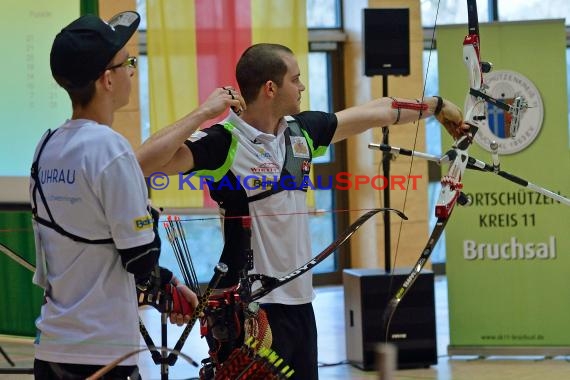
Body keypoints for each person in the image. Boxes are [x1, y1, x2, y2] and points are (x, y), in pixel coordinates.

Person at [136, 43, 467, 379]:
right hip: (253, 310)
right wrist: (203, 113)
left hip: (302, 304)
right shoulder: (224, 142)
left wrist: (436, 106)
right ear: (270, 88)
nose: (302, 86)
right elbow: (140, 162)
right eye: (295, 79)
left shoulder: (301, 133)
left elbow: (377, 111)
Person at [29, 11, 242, 379]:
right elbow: (141, 259)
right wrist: (169, 286)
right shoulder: (110, 150)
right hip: (103, 352)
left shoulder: (45, 146)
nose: (132, 71)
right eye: (127, 62)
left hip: (51, 347)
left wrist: (168, 286)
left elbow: (109, 247)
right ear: (106, 79)